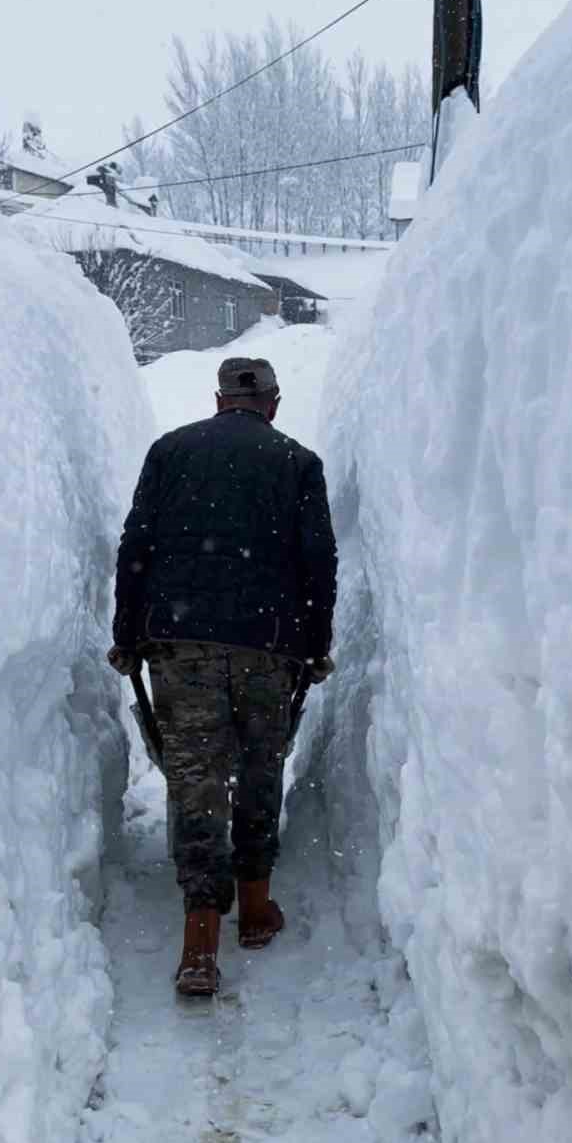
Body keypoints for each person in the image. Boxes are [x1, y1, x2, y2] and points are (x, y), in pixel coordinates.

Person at [107, 357, 337, 996]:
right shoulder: (297, 462)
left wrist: (128, 634)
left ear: (217, 400)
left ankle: (200, 941)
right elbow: (319, 560)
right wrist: (315, 645)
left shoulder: (171, 451)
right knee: (262, 765)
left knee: (195, 780)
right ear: (274, 402)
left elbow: (137, 547)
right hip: (269, 644)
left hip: (178, 642)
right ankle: (256, 905)